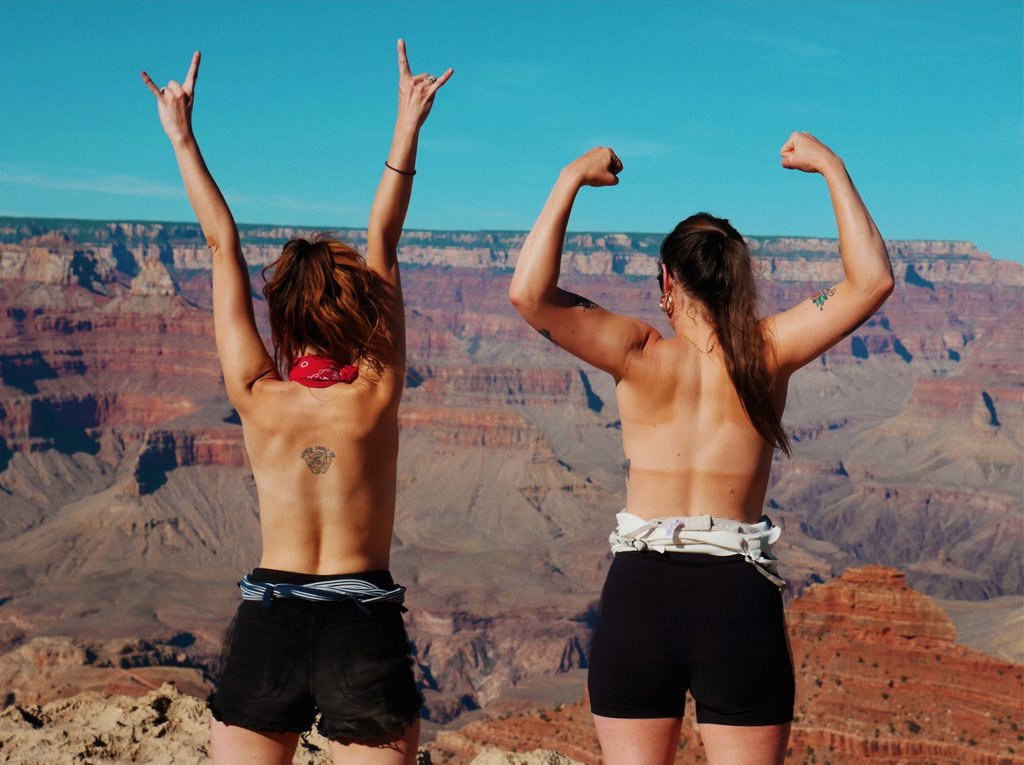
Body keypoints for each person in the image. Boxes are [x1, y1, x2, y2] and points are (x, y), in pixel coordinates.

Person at [509, 135, 893, 764]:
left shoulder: (635, 354)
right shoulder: (768, 352)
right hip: (737, 601)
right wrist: (831, 166)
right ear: (738, 278)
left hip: (640, 596)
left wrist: (570, 177)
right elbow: (871, 280)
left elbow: (530, 294)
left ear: (666, 279)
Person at [141, 41, 452, 765]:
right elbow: (384, 238)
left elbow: (223, 247)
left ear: (280, 315)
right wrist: (407, 128)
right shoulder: (375, 393)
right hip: (361, 623)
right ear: (358, 314)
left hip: (270, 621)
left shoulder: (256, 395)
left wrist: (182, 138)